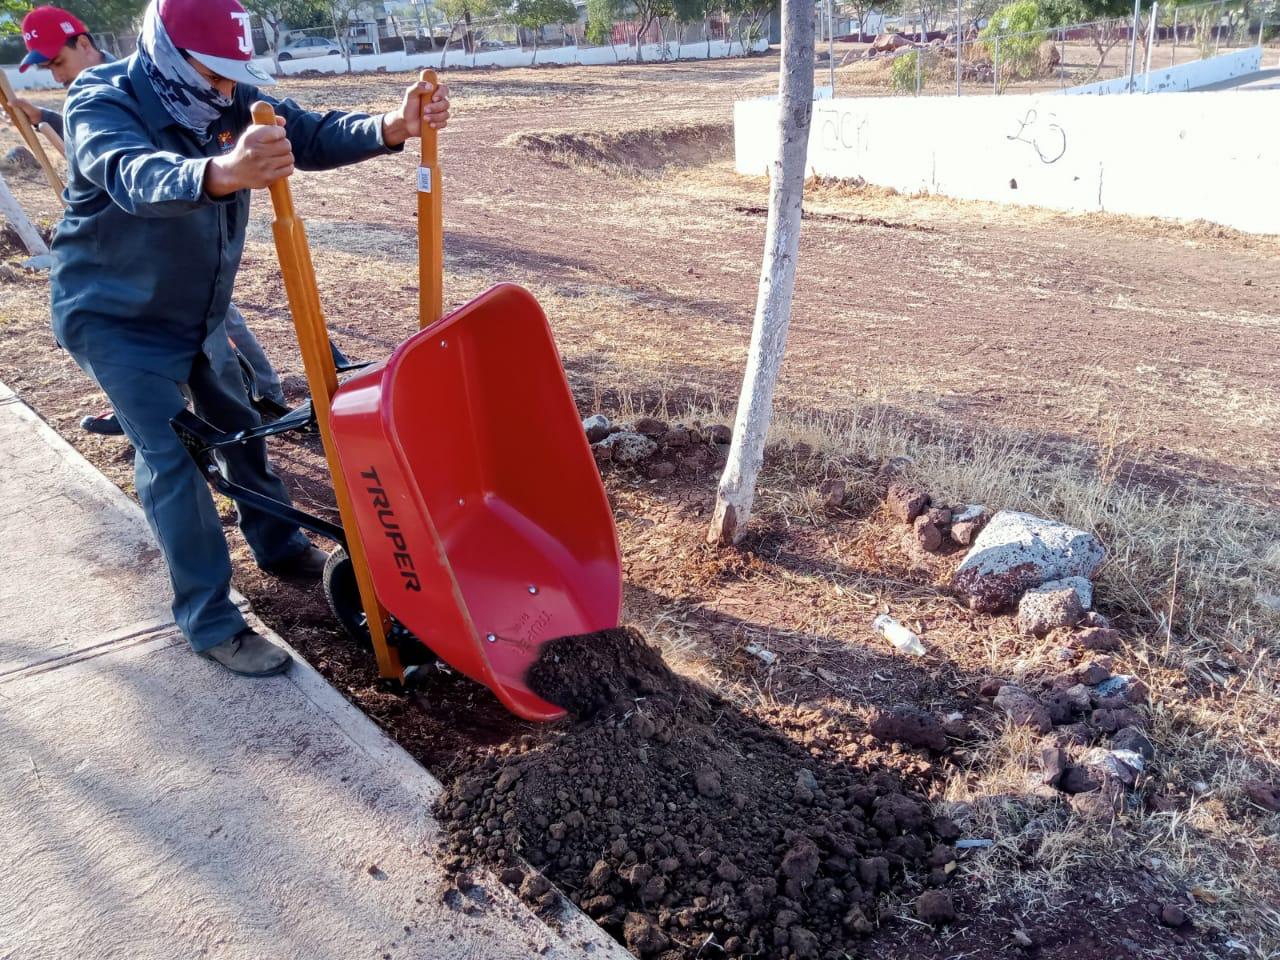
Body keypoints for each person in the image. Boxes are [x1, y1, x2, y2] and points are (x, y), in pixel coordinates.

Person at [52, 0, 449, 677]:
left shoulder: (230, 100)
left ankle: (277, 543)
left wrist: (391, 126)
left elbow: (308, 133)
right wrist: (223, 173)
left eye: (236, 76)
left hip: (197, 313)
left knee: (239, 425)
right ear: (169, 55)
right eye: (214, 76)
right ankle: (212, 622)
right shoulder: (101, 98)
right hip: (117, 320)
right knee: (174, 460)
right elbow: (131, 176)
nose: (229, 91)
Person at [10, 5, 300, 435]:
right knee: (183, 354)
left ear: (84, 43)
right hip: (136, 267)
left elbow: (135, 164)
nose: (55, 76)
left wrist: (385, 128)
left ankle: (264, 395)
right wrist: (47, 118)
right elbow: (113, 158)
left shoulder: (168, 83)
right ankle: (159, 410)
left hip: (189, 242)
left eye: (58, 62)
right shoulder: (98, 94)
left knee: (218, 319)